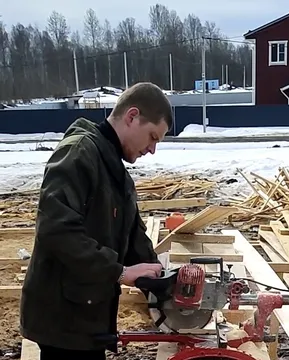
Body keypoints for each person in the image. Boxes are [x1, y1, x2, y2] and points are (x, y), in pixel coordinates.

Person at [19, 82, 174, 360]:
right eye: (152, 137)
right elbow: (56, 230)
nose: (152, 150)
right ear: (131, 116)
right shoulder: (79, 154)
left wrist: (161, 277)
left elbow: (132, 234)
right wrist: (119, 272)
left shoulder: (116, 171)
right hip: (62, 320)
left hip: (86, 316)